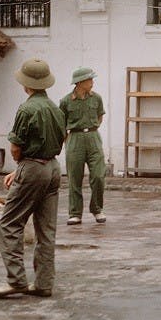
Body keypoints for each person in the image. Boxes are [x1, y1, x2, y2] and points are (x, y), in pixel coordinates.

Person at [0, 58, 65, 299]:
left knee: (10, 223)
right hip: (53, 167)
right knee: (46, 229)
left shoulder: (26, 108)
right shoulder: (56, 108)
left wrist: (21, 168)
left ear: (26, 84)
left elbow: (15, 147)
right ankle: (43, 283)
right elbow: (61, 140)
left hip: (32, 167)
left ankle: (17, 280)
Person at [59, 66, 107, 226]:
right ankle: (75, 213)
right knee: (74, 177)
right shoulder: (66, 101)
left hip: (93, 137)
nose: (92, 82)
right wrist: (68, 141)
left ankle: (97, 209)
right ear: (80, 82)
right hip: (75, 137)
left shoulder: (96, 98)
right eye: (90, 79)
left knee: (99, 176)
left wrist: (91, 129)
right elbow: (62, 123)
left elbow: (100, 117)